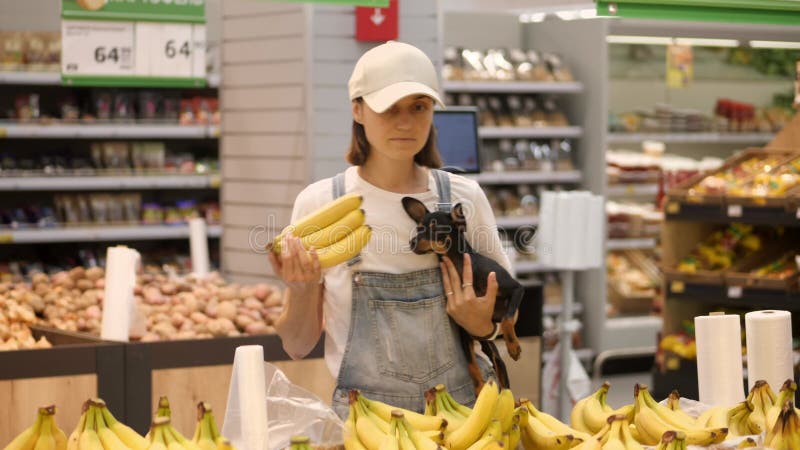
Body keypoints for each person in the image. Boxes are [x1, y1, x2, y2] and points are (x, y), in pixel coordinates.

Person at [268, 41, 513, 418]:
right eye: (389, 108)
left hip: (463, 420)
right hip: (365, 425)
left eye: (419, 107)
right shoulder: (321, 205)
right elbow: (298, 345)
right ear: (358, 109)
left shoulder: (462, 199)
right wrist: (301, 291)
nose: (405, 123)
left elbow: (500, 319)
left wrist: (479, 322)